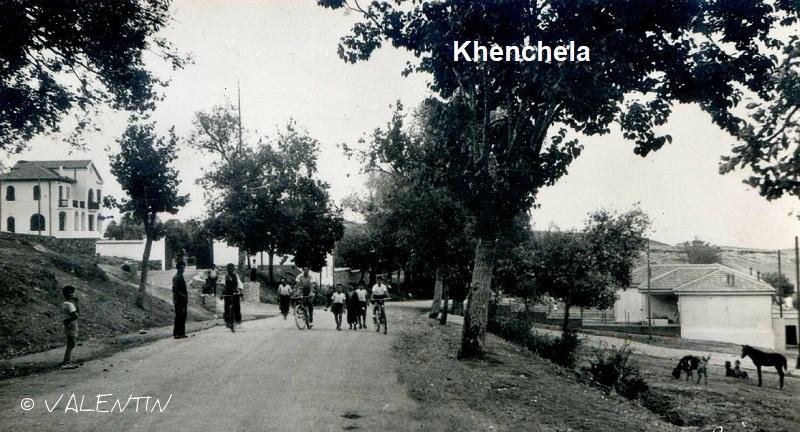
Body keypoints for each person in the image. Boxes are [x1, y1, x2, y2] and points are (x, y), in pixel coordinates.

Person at [60, 285, 80, 369]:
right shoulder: (70, 304)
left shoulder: (66, 303)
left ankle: (67, 360)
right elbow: (75, 315)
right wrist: (77, 304)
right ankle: (66, 362)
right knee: (71, 343)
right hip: (71, 324)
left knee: (70, 343)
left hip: (68, 323)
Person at [223, 263, 243, 330]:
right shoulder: (225, 276)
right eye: (229, 269)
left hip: (235, 292)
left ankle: (238, 320)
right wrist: (222, 294)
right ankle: (227, 321)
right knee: (226, 307)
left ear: (233, 269)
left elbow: (240, 284)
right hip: (227, 293)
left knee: (237, 307)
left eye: (231, 269)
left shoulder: (236, 276)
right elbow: (222, 284)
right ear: (227, 270)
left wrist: (241, 292)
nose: (230, 270)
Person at [172, 261, 189, 339]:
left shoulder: (181, 276)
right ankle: (176, 333)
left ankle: (182, 333)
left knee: (183, 316)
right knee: (179, 316)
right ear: (178, 268)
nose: (183, 270)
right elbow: (175, 289)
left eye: (184, 268)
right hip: (178, 300)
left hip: (183, 300)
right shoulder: (176, 277)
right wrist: (183, 296)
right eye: (182, 268)